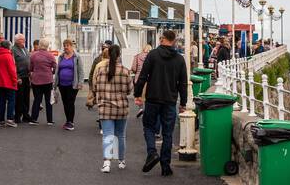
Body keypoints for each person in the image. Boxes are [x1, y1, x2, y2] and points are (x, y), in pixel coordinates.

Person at [133, 28, 189, 177]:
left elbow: (143, 76)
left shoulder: (153, 55)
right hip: (170, 101)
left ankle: (152, 152)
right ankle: (166, 166)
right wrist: (183, 103)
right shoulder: (179, 59)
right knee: (168, 133)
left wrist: (137, 94)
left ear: (163, 39)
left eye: (160, 39)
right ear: (174, 41)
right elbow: (183, 83)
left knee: (149, 127)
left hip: (152, 98)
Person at [91, 43, 133, 172]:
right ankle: (121, 161)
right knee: (120, 135)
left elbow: (95, 87)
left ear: (108, 54)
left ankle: (107, 163)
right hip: (121, 108)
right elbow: (129, 90)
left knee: (108, 135)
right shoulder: (125, 71)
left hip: (105, 107)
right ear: (119, 54)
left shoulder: (100, 70)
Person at [28, 38, 58, 125]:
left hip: (36, 80)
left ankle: (33, 119)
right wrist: (51, 72)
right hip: (47, 80)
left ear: (40, 45)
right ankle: (49, 120)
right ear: (47, 46)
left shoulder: (33, 55)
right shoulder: (50, 55)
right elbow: (55, 67)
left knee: (37, 99)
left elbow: (30, 68)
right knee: (49, 100)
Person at [55, 39, 83, 130]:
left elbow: (80, 71)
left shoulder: (77, 57)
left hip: (73, 84)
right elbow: (58, 70)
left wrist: (80, 83)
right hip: (62, 84)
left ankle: (71, 122)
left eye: (67, 45)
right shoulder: (61, 56)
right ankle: (68, 120)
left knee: (70, 102)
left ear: (72, 46)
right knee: (65, 103)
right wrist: (55, 83)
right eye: (64, 45)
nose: (65, 47)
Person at [0, 40, 19, 128]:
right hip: (9, 82)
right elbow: (12, 70)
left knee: (1, 101)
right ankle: (10, 119)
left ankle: (0, 120)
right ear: (8, 46)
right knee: (11, 101)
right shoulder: (8, 56)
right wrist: (15, 80)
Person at [10, 34, 31, 124]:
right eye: (22, 40)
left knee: (26, 97)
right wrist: (17, 77)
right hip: (19, 77)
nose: (24, 41)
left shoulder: (25, 49)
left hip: (27, 76)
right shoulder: (13, 50)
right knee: (19, 98)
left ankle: (26, 115)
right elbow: (12, 65)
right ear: (17, 41)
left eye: (24, 39)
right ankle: (17, 116)